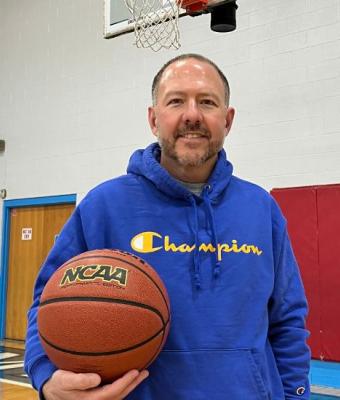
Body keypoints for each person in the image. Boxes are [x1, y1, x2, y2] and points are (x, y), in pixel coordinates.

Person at [24, 53, 311, 399]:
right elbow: (49, 304)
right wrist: (46, 377)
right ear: (154, 119)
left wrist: (296, 394)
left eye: (207, 102)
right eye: (176, 101)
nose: (192, 115)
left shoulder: (261, 209)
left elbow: (288, 322)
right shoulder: (103, 206)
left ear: (228, 119)